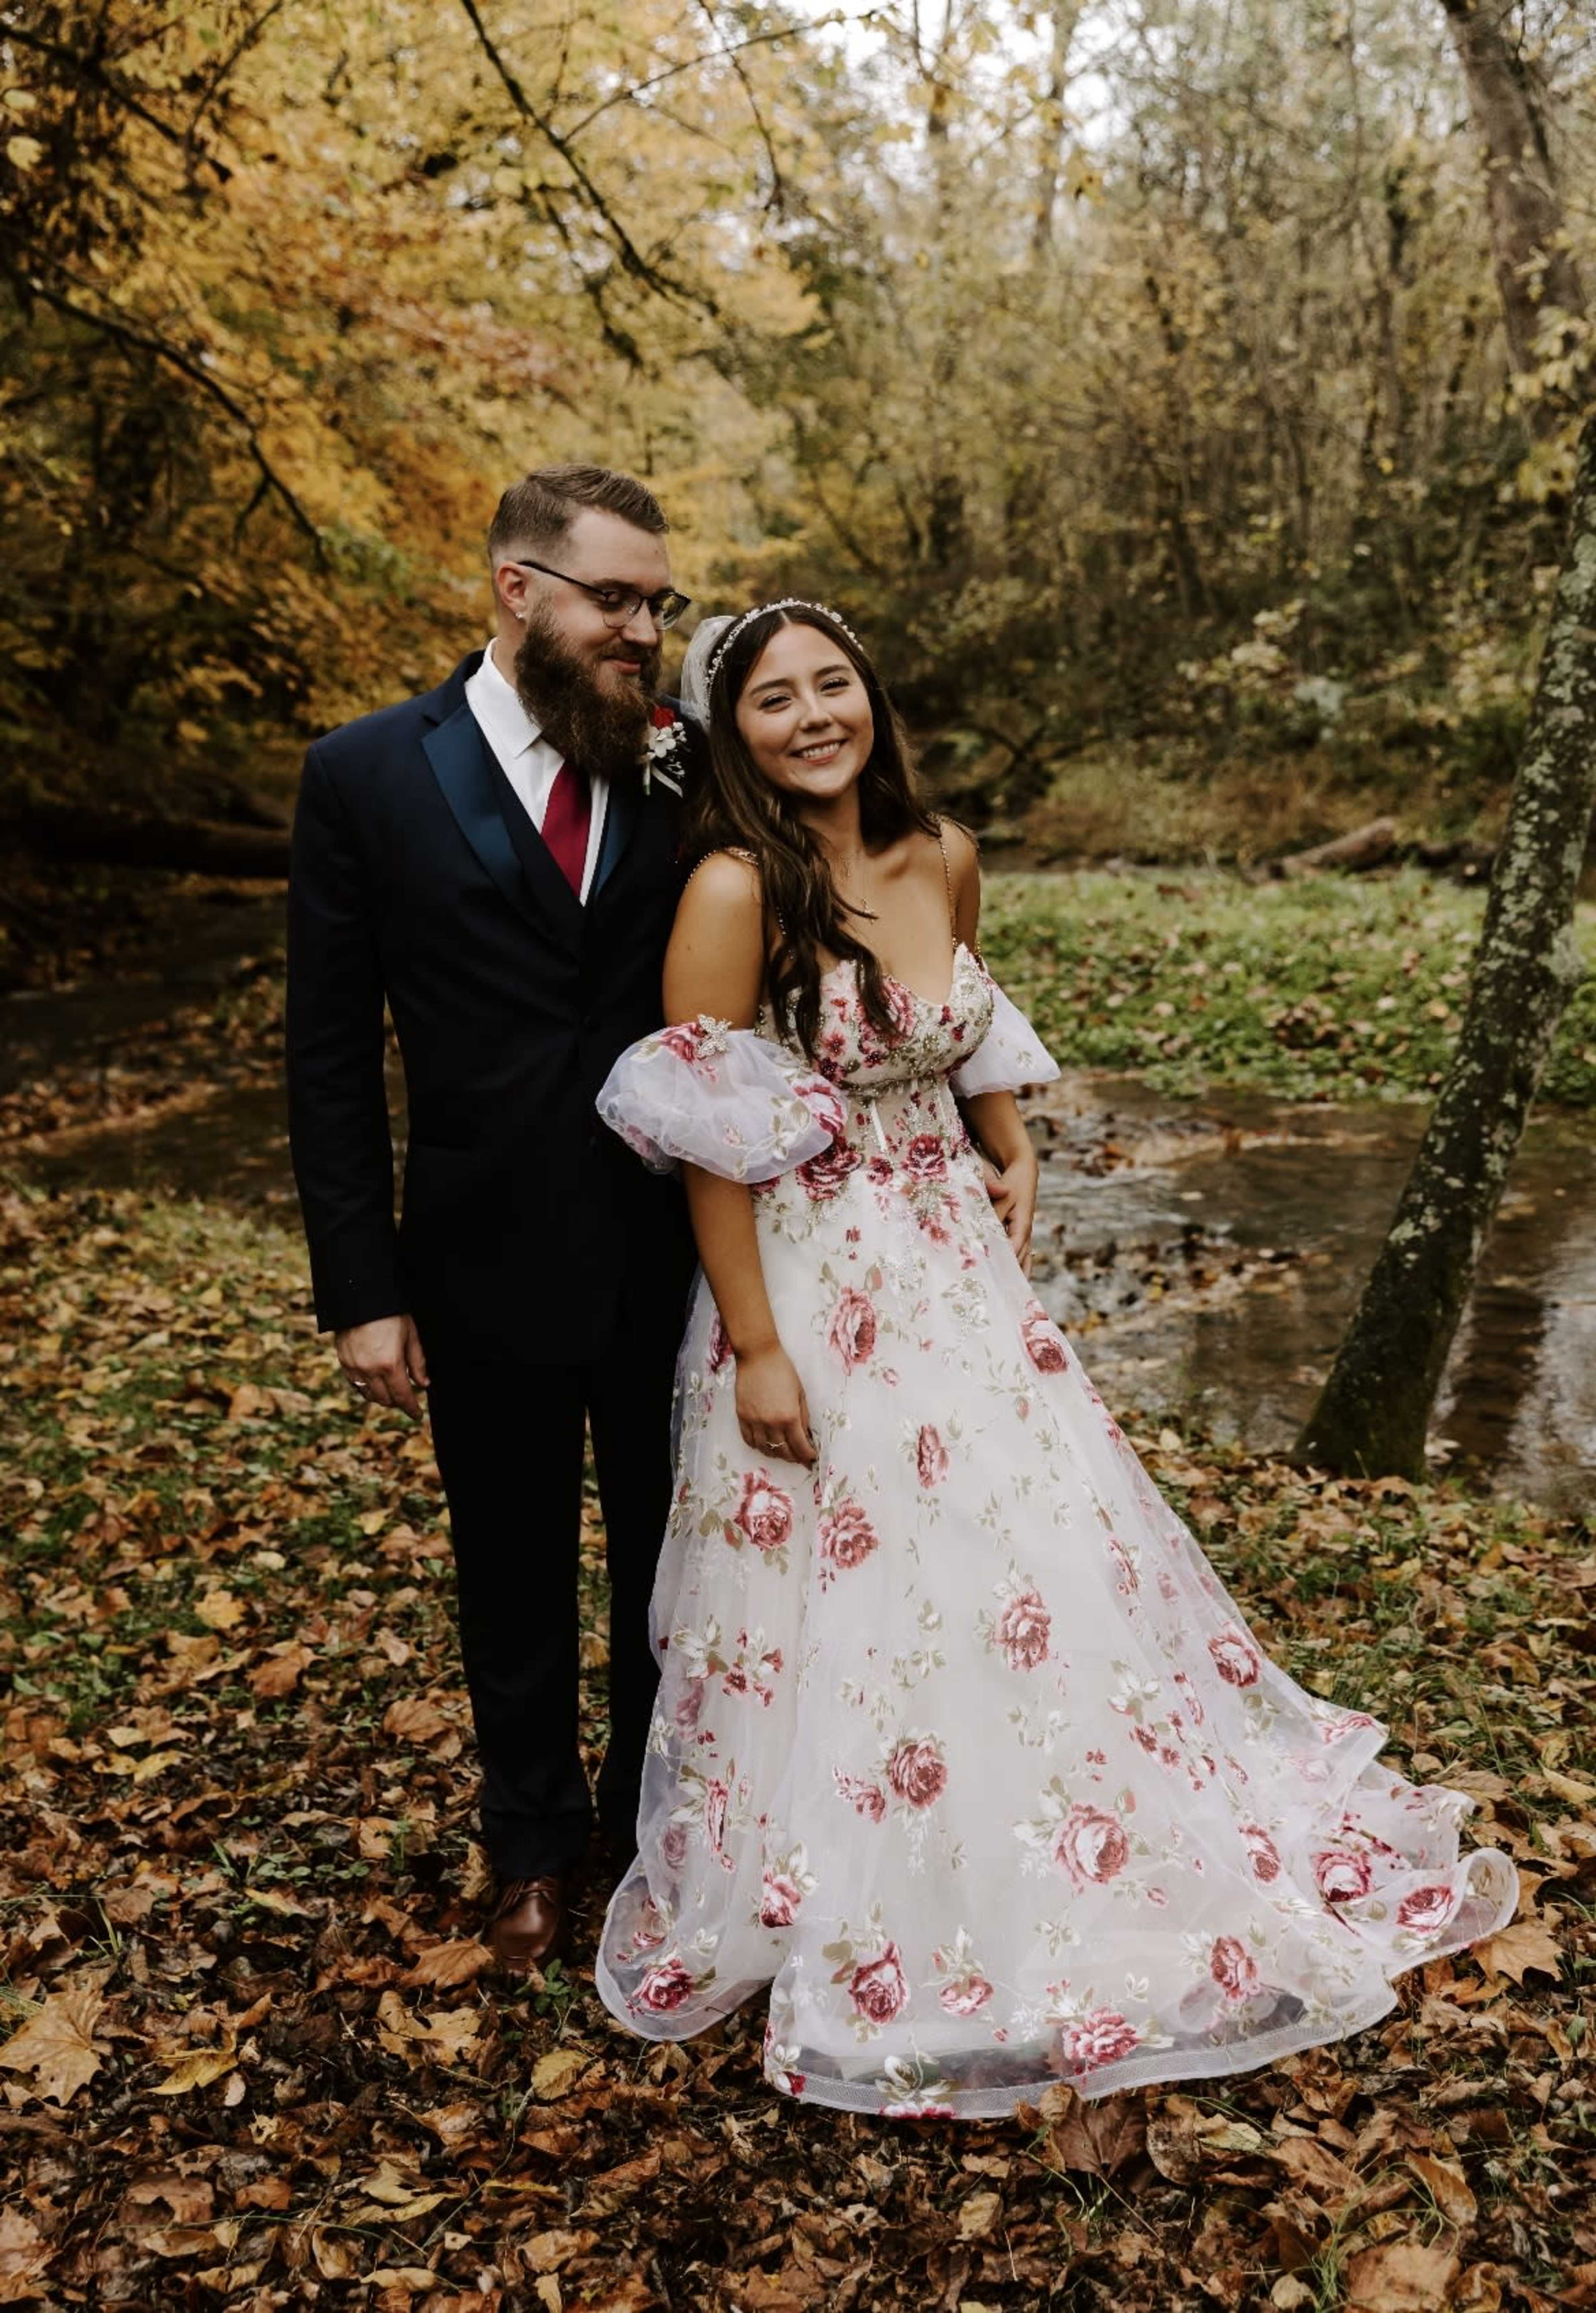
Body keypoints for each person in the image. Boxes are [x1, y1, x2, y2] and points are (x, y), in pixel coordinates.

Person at [591, 598, 1518, 2119]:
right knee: (854, 1574)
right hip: (817, 1282)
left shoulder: (941, 852)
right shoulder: (735, 888)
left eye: (835, 685)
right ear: (731, 732)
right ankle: (861, 1879)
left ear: (873, 698)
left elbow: (961, 1015)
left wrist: (1009, 1139)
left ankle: (1052, 1826)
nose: (815, 717)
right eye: (776, 699)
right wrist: (756, 1347)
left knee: (1013, 1553)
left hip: (958, 1266)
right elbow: (711, 1137)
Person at [286, 464, 701, 1971]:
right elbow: (331, 1053)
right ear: (518, 590)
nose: (642, 629)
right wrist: (361, 1287)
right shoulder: (364, 775)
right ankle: (530, 1842)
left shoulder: (686, 762)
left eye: (658, 603)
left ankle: (656, 1831)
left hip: (678, 1253)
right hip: (478, 1253)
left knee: (674, 1571)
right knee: (509, 1562)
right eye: (615, 599)